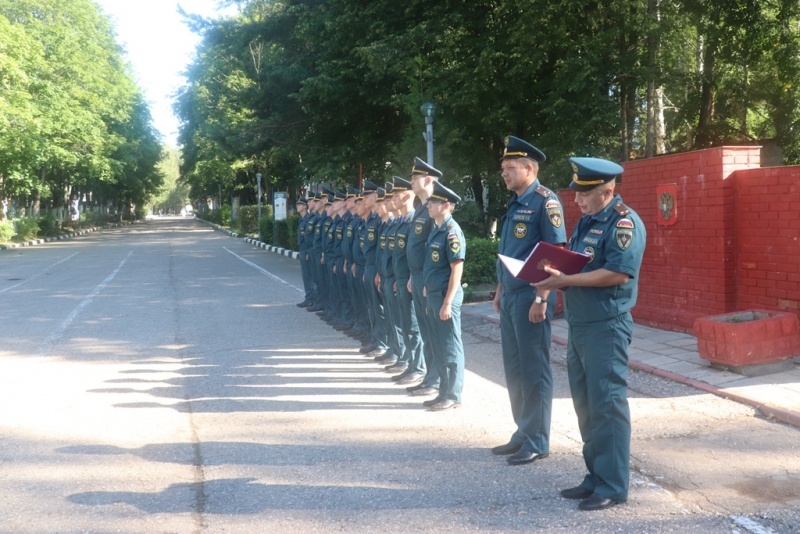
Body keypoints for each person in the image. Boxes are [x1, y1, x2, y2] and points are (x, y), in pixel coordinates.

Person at [534, 157, 646, 511]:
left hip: (606, 326)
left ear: (608, 191)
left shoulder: (623, 222)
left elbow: (616, 273)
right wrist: (557, 269)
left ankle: (613, 484)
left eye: (585, 195)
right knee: (585, 404)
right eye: (577, 194)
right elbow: (582, 264)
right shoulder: (587, 221)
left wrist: (564, 280)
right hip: (581, 324)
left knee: (607, 405)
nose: (577, 201)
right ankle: (595, 476)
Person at [491, 136, 567, 466]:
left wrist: (542, 296)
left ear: (529, 168)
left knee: (534, 369)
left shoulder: (545, 202)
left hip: (532, 297)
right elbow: (510, 252)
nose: (504, 174)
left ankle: (537, 438)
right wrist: (499, 288)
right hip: (510, 295)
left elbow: (557, 255)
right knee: (515, 369)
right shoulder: (516, 202)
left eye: (510, 168)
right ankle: (523, 431)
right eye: (503, 169)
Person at [422, 180, 466, 411]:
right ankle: (443, 391)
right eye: (429, 202)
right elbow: (433, 265)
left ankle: (453, 394)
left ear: (445, 205)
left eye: (433, 202)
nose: (429, 205)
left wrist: (447, 302)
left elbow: (456, 269)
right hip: (435, 294)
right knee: (438, 344)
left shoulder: (451, 232)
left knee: (449, 344)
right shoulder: (436, 230)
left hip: (445, 297)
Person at [405, 157, 441, 398]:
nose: (411, 182)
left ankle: (436, 379)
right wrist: (411, 274)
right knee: (425, 331)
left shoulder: (434, 208)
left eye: (415, 178)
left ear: (428, 180)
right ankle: (429, 376)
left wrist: (426, 279)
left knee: (433, 332)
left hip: (428, 279)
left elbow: (433, 249)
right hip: (416, 277)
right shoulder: (420, 208)